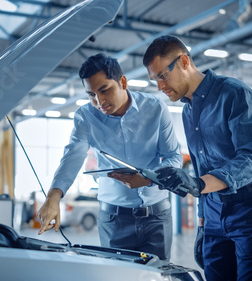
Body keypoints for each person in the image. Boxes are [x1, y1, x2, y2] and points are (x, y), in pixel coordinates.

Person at [143, 35, 252, 280]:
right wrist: (202, 224)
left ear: (184, 61)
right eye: (155, 80)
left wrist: (198, 184)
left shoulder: (235, 95)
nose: (160, 87)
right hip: (214, 210)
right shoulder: (188, 111)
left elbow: (251, 159)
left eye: (162, 75)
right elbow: (201, 166)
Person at [37, 53, 182, 261]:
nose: (99, 101)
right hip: (114, 220)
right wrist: (54, 196)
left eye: (104, 90)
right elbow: (73, 155)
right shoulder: (85, 117)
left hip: (157, 217)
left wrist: (148, 178)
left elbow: (173, 159)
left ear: (122, 82)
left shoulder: (155, 109)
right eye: (91, 95)